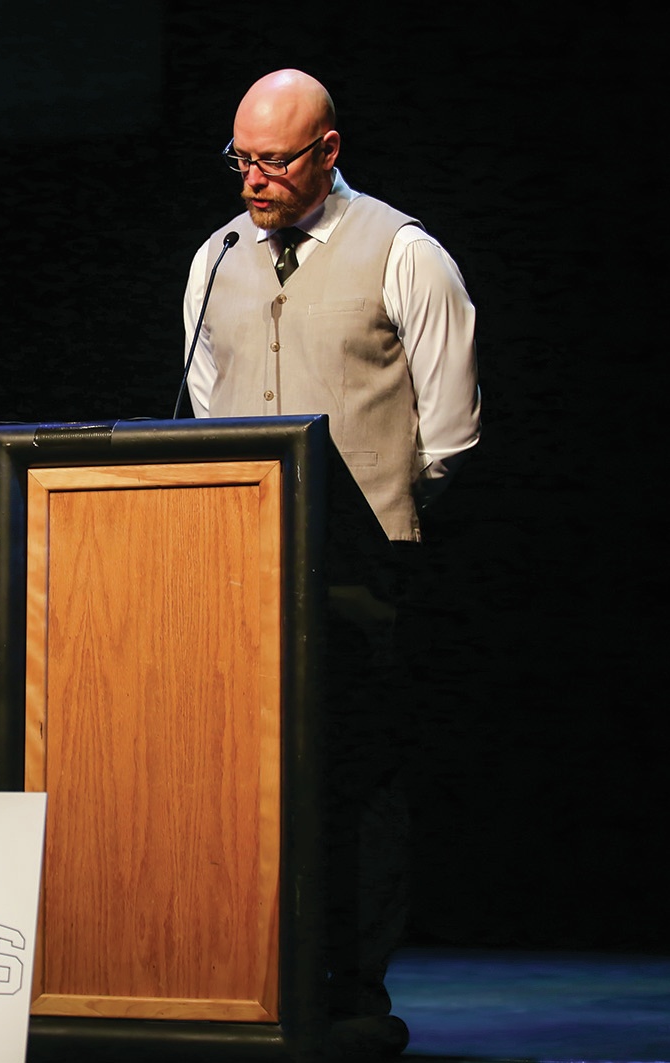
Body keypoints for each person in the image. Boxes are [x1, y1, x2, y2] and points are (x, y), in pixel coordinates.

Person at [180, 69, 482, 1059]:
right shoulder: (214, 258)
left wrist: (376, 515)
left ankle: (353, 992)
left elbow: (449, 433)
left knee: (357, 780)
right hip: (242, 569)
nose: (252, 179)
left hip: (362, 572)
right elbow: (205, 409)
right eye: (242, 158)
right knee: (243, 780)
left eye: (273, 160)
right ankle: (243, 976)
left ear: (329, 151)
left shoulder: (404, 252)